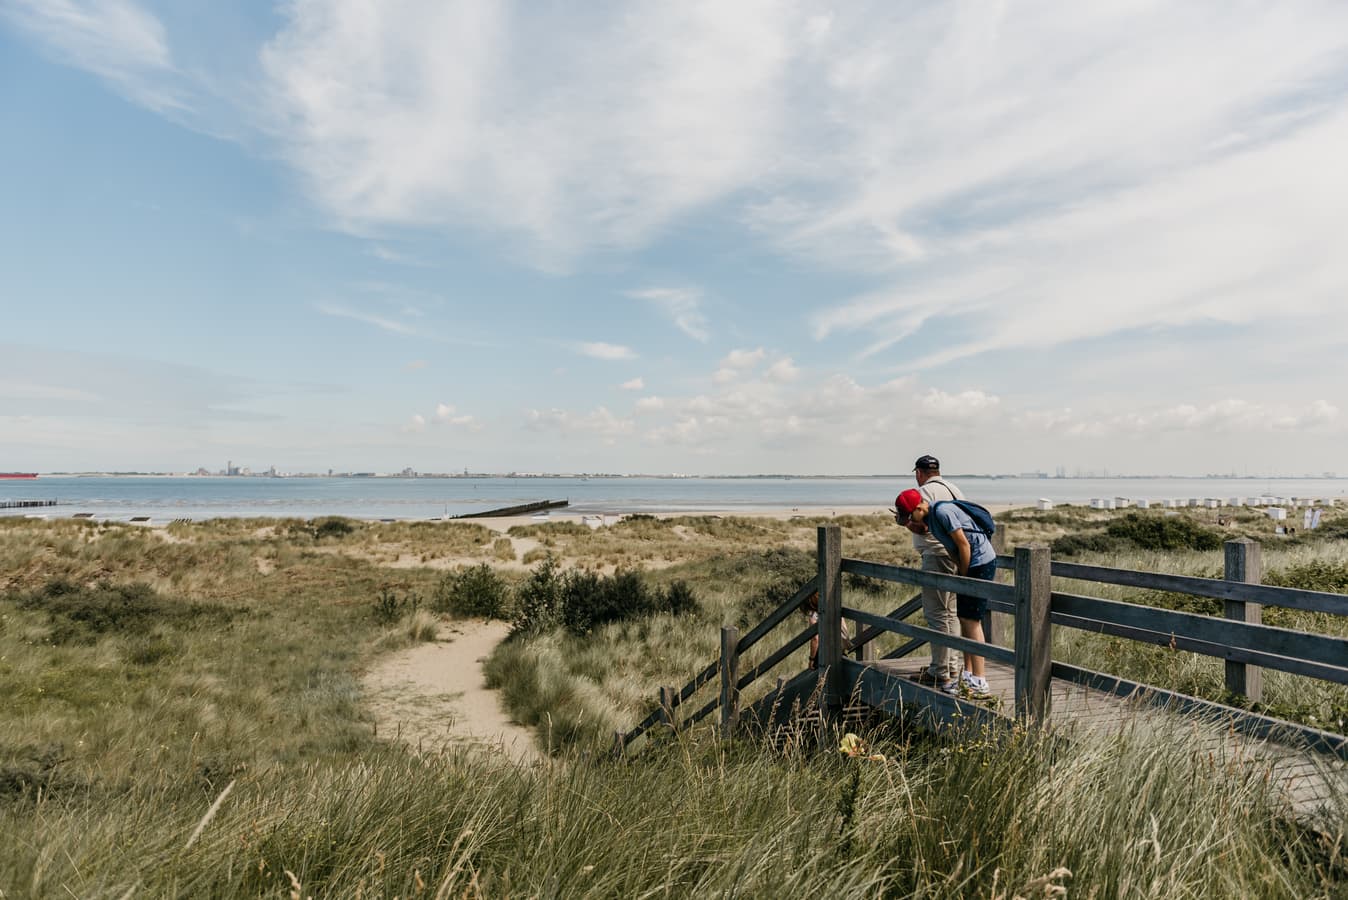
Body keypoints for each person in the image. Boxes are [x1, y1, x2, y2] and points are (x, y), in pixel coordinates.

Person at [894, 488, 996, 699]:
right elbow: (951, 547)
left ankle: (980, 681)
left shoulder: (942, 512)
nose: (910, 520)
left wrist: (964, 577)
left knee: (972, 621)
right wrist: (959, 570)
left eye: (910, 515)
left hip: (980, 562)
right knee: (963, 618)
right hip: (971, 565)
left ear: (920, 506)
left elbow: (964, 545)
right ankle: (968, 676)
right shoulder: (930, 520)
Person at [900, 455, 963, 692]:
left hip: (936, 556)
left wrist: (903, 521)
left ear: (919, 473)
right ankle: (951, 667)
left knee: (937, 614)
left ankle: (939, 671)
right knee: (951, 613)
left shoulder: (925, 494)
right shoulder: (955, 489)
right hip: (957, 556)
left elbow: (923, 527)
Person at [803, 590, 850, 670]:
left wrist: (812, 659)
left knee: (822, 678)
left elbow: (815, 639)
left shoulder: (814, 616)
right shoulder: (834, 609)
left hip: (823, 654)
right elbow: (845, 631)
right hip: (839, 650)